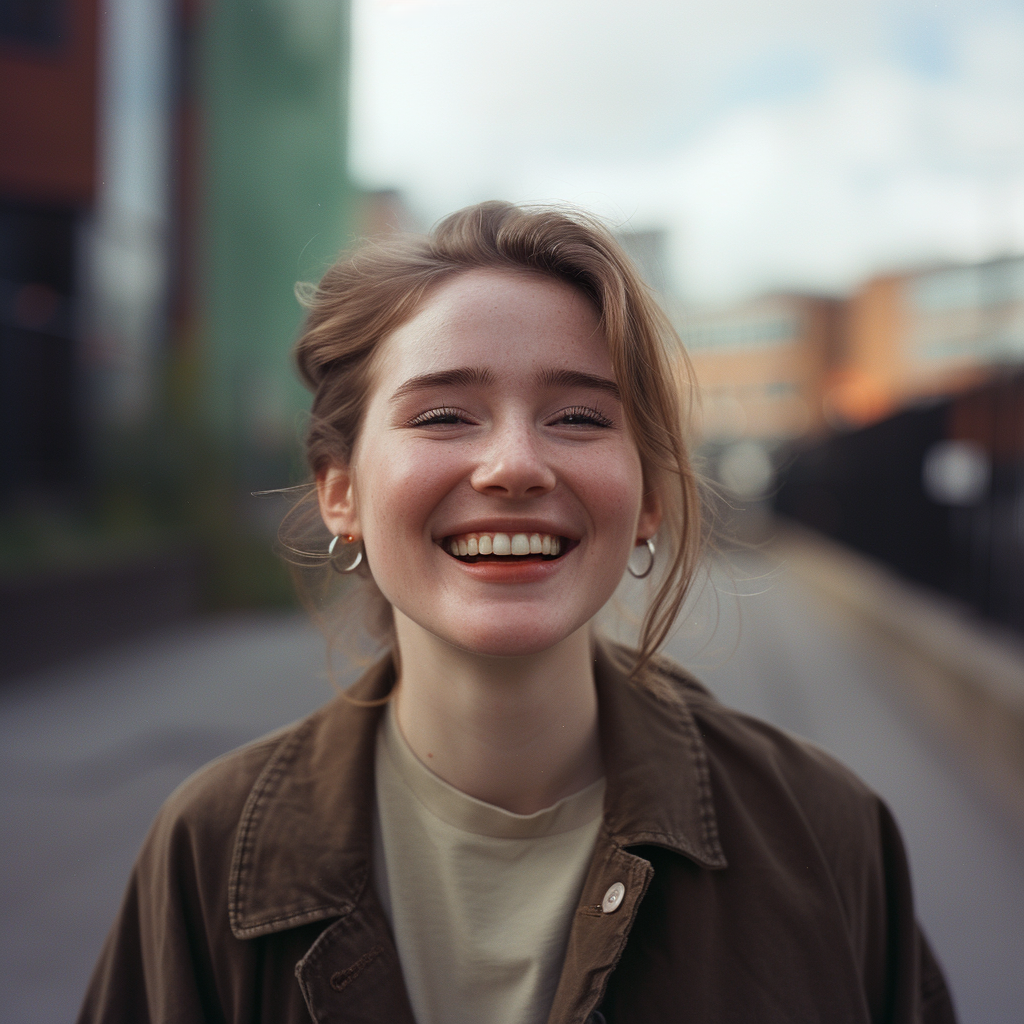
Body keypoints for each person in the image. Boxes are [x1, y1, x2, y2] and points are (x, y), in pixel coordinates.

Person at [78, 201, 957, 1024]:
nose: (513, 466)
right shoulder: (209, 851)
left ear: (649, 495)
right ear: (341, 492)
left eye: (577, 417)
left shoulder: (828, 834)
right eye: (445, 415)